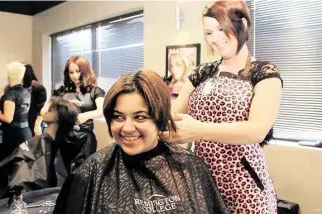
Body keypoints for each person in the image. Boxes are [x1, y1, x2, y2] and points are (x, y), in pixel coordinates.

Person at [160, 1, 282, 213]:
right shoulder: (203, 72)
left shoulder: (263, 72)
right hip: (202, 181)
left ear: (242, 24)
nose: (214, 38)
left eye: (221, 28)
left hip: (245, 186)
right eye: (209, 32)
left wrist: (198, 130)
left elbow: (257, 130)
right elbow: (174, 116)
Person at [53, 70, 229, 214]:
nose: (127, 128)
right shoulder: (91, 172)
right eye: (118, 117)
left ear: (159, 117)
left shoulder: (191, 167)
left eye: (140, 117)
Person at [34, 56, 105, 157]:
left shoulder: (95, 91)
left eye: (78, 71)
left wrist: (85, 115)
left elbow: (101, 111)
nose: (75, 75)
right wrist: (38, 125)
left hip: (85, 137)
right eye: (71, 72)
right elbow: (44, 109)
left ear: (85, 71)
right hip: (64, 136)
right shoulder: (62, 91)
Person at [0, 61, 32, 161]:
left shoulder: (10, 95)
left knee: (13, 166)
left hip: (14, 136)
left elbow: (8, 118)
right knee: (24, 166)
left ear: (9, 76)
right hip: (26, 133)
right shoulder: (27, 92)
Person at [22, 64, 47, 136]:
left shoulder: (38, 88)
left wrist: (37, 124)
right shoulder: (25, 87)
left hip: (35, 121)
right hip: (28, 121)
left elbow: (41, 108)